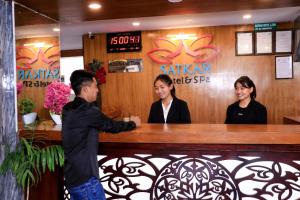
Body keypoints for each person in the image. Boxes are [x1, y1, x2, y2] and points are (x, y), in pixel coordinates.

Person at [62, 70, 140, 200]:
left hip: (72, 176)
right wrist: (133, 123)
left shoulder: (68, 108)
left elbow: (86, 128)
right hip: (86, 181)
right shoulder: (87, 110)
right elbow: (111, 126)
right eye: (95, 86)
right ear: (86, 89)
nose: (97, 90)